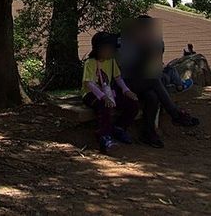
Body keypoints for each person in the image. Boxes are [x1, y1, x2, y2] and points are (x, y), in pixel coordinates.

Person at [117, 15, 199, 149]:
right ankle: (175, 114)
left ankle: (148, 133)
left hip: (142, 82)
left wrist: (152, 49)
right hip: (123, 83)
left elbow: (154, 69)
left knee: (152, 96)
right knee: (154, 82)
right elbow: (123, 67)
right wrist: (142, 51)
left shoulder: (151, 43)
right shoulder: (124, 42)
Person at [82, 32, 139, 154]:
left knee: (132, 103)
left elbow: (118, 77)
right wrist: (103, 97)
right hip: (91, 94)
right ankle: (104, 136)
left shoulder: (111, 61)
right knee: (104, 106)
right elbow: (89, 84)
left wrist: (126, 90)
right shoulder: (90, 63)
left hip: (108, 91)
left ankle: (119, 127)